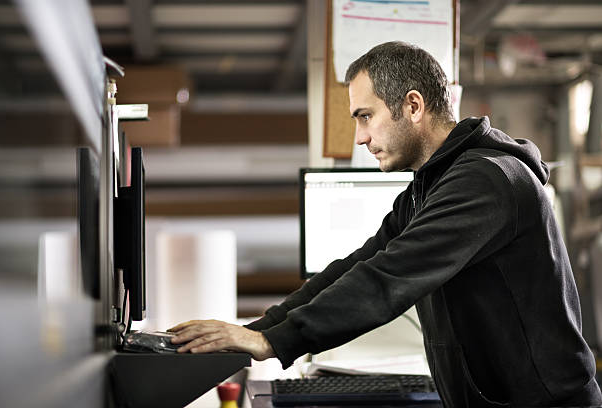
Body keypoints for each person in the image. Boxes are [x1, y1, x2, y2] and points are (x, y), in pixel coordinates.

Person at [168, 41, 602, 407]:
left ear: (413, 105)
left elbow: (390, 276)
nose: (360, 137)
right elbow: (363, 262)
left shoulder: (485, 180)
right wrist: (261, 329)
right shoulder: (430, 185)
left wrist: (275, 343)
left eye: (365, 116)